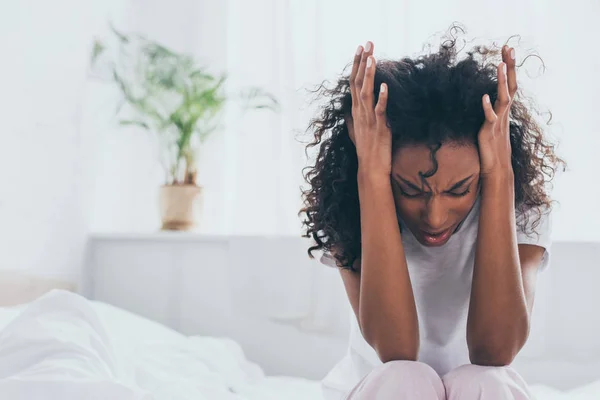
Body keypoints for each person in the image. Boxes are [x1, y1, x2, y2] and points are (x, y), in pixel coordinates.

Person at [299, 27, 565, 400]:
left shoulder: (524, 212)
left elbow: (495, 351)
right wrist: (372, 176)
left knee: (486, 380)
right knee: (404, 378)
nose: (435, 217)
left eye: (459, 190)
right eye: (409, 190)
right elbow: (396, 351)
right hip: (385, 390)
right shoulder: (350, 209)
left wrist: (500, 175)